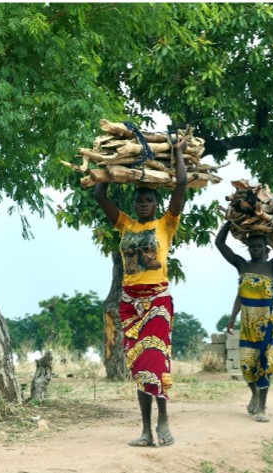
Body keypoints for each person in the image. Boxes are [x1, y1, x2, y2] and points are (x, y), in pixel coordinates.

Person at [94, 136, 187, 448]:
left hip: (157, 302)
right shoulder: (125, 225)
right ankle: (146, 430)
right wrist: (108, 163)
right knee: (139, 366)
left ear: (156, 204)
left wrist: (178, 153)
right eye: (138, 201)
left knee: (155, 361)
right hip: (130, 305)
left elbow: (181, 186)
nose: (142, 204)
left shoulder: (166, 225)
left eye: (148, 200)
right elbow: (99, 195)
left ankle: (164, 420)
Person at [215, 212, 273, 422]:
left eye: (259, 246)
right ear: (248, 248)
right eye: (252, 246)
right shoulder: (242, 265)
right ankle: (254, 393)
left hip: (269, 324)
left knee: (265, 364)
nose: (256, 249)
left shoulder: (272, 266)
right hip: (248, 324)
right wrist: (229, 220)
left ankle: (262, 409)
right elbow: (220, 244)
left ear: (265, 248)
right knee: (247, 365)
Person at [225, 248, 273, 335]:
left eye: (264, 254)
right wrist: (232, 318)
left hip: (269, 317)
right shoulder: (248, 273)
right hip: (250, 318)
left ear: (267, 256)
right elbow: (240, 296)